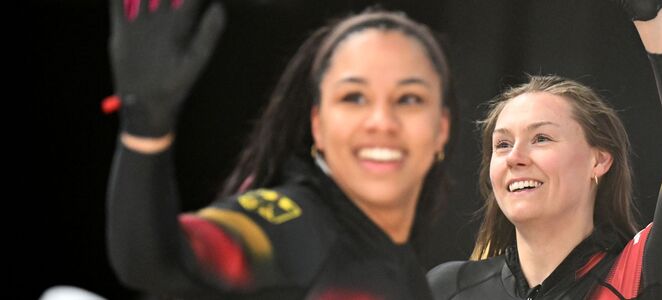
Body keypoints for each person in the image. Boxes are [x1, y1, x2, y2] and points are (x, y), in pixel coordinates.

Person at [105, 1, 454, 299]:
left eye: (410, 99)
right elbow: (156, 260)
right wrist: (145, 129)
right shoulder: (299, 228)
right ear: (317, 125)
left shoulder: (409, 274)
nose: (382, 121)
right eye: (354, 97)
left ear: (441, 129)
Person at [427, 1, 662, 299]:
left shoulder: (641, 276)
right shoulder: (447, 288)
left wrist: (652, 12)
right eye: (503, 144)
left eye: (541, 138)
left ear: (599, 160)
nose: (515, 158)